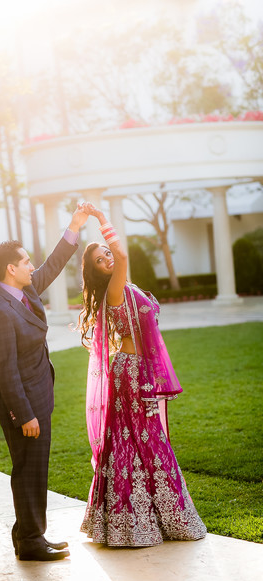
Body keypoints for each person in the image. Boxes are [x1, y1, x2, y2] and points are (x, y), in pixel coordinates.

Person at [78, 203, 207, 547]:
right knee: (145, 437)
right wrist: (103, 220)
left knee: (137, 437)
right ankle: (139, 522)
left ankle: (133, 521)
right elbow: (122, 254)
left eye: (106, 253)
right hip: (132, 372)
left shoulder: (124, 286)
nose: (107, 258)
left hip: (134, 368)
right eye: (99, 260)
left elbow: (119, 256)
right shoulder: (116, 287)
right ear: (97, 272)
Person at [0, 205, 88, 561]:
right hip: (23, 406)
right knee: (28, 472)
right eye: (26, 261)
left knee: (34, 469)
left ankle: (29, 535)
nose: (32, 266)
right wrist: (25, 414)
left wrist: (74, 226)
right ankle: (30, 542)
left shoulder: (23, 291)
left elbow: (53, 265)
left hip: (39, 395)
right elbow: (6, 371)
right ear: (11, 269)